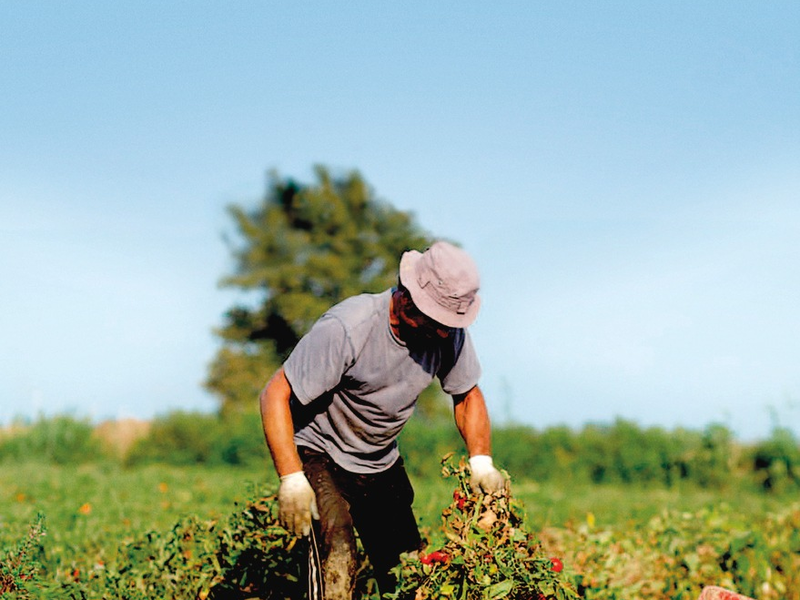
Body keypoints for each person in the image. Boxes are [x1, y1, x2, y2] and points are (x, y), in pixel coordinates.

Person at [259, 241, 506, 599]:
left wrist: (481, 461)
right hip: (319, 452)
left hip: (378, 460)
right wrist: (291, 478)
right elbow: (275, 394)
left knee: (409, 574)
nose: (443, 333)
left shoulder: (447, 332)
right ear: (406, 299)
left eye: (448, 324)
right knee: (337, 556)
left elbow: (467, 395)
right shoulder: (349, 327)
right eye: (436, 321)